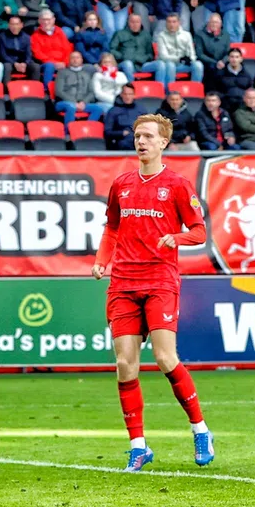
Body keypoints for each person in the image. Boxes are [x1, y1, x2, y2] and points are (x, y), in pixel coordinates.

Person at [91, 113, 213, 472]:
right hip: (123, 283)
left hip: (160, 279)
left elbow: (199, 231)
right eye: (137, 135)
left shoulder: (176, 185)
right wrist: (102, 261)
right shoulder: (122, 184)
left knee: (164, 358)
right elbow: (112, 227)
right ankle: (138, 446)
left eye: (147, 136)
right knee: (125, 365)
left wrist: (175, 237)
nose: (140, 141)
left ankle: (200, 429)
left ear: (163, 143)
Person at [54, 51, 104, 125]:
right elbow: (59, 91)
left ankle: (86, 129)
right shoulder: (62, 73)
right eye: (73, 58)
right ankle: (69, 132)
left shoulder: (86, 74)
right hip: (65, 102)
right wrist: (74, 103)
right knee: (71, 107)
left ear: (81, 60)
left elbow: (91, 92)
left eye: (77, 58)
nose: (75, 60)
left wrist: (83, 102)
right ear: (69, 60)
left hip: (82, 103)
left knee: (98, 109)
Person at [155, 13, 201, 85]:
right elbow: (163, 57)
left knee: (198, 65)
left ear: (179, 23)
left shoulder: (187, 35)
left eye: (174, 22)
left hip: (183, 64)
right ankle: (169, 92)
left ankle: (195, 90)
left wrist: (190, 59)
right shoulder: (161, 36)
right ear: (166, 23)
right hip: (169, 64)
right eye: (169, 22)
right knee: (170, 65)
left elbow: (192, 53)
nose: (171, 24)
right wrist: (179, 58)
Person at [111, 13, 159, 83]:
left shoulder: (146, 35)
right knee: (128, 64)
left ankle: (163, 90)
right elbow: (112, 49)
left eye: (137, 22)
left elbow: (150, 54)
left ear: (140, 23)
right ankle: (130, 89)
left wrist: (144, 58)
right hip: (125, 63)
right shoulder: (119, 34)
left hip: (142, 65)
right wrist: (122, 56)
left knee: (160, 64)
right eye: (132, 22)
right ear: (128, 22)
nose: (135, 24)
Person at [31, 10, 73, 85]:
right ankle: (47, 89)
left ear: (53, 20)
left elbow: (67, 49)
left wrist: (64, 62)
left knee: (75, 62)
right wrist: (54, 63)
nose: (46, 22)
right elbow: (37, 53)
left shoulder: (60, 32)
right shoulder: (35, 36)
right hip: (46, 64)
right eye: (44, 19)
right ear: (39, 21)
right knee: (50, 66)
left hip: (63, 62)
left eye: (48, 19)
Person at [210, 48, 253, 112]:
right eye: (232, 57)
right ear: (228, 58)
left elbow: (250, 90)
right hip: (226, 105)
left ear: (241, 59)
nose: (234, 59)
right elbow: (214, 90)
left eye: (237, 57)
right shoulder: (220, 74)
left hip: (242, 105)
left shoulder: (247, 75)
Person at [102, 83, 141, 150]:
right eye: (125, 94)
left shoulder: (140, 110)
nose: (127, 97)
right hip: (121, 141)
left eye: (130, 94)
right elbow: (107, 132)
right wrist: (122, 133)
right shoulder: (113, 111)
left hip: (138, 139)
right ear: (121, 95)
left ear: (134, 95)